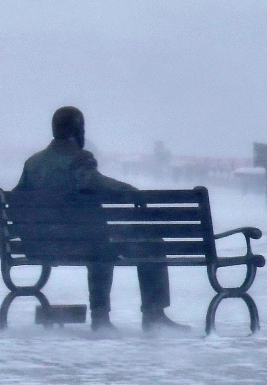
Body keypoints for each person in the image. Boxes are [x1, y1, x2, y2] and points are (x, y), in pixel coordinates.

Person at [15, 106, 190, 334]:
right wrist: (130, 192)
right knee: (149, 243)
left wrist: (31, 235)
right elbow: (94, 182)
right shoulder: (79, 159)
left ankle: (103, 316)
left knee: (99, 245)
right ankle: (148, 315)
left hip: (41, 247)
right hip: (83, 246)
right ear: (77, 130)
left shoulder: (33, 164)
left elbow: (16, 201)